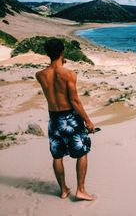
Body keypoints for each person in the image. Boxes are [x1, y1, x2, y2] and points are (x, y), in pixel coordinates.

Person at [36, 38, 95, 201]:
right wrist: (88, 121)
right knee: (82, 152)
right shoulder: (69, 74)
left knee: (57, 156)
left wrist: (59, 60)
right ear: (62, 52)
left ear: (47, 53)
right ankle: (81, 190)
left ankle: (63, 190)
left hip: (54, 119)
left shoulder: (40, 75)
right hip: (70, 118)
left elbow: (53, 78)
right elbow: (74, 101)